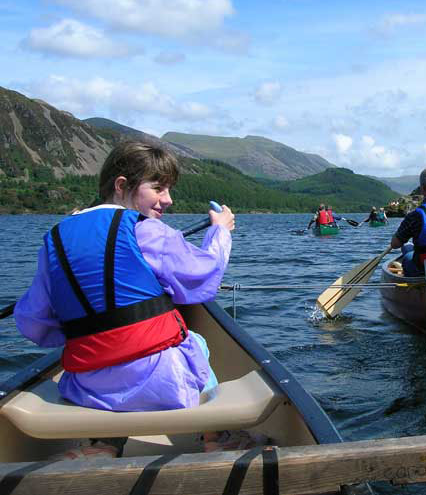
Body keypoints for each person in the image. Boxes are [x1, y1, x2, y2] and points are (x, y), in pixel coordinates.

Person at [13, 141, 250, 458]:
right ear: (122, 185)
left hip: (87, 389)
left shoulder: (55, 237)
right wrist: (220, 232)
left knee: (110, 358)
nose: (168, 200)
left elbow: (35, 324)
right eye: (159, 188)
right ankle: (216, 437)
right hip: (164, 385)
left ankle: (104, 443)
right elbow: (202, 281)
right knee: (195, 341)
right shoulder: (147, 229)